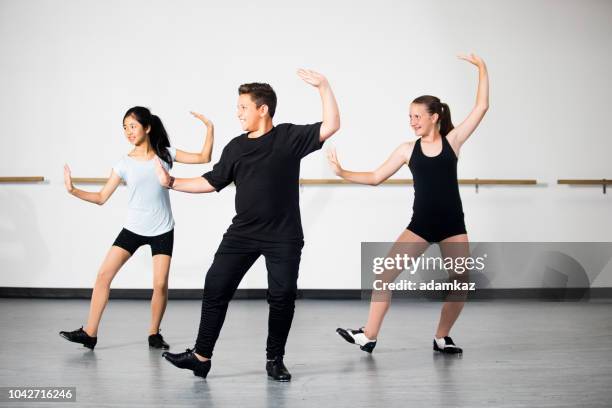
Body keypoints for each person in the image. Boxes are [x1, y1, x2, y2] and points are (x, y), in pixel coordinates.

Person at [156, 70, 340, 381]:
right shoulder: (236, 147)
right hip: (243, 233)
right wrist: (171, 182)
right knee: (216, 285)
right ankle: (201, 357)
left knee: (282, 297)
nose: (238, 113)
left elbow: (331, 125)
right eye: (238, 107)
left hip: (283, 236)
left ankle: (274, 359)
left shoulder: (288, 137)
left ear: (262, 109)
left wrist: (324, 86)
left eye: (243, 107)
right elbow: (212, 181)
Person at [331, 54, 489, 355]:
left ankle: (442, 337)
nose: (412, 121)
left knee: (461, 282)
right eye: (410, 116)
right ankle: (369, 335)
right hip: (421, 225)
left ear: (434, 117)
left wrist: (482, 68)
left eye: (417, 116)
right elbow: (376, 176)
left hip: (453, 225)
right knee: (384, 276)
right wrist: (342, 172)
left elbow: (481, 107)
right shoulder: (407, 150)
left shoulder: (452, 141)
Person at [59, 106, 214, 350]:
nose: (128, 132)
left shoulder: (165, 154)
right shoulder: (123, 164)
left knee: (160, 284)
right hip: (132, 229)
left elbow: (204, 158)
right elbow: (101, 197)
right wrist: (73, 190)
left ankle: (154, 334)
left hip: (162, 229)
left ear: (147, 127)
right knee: (103, 276)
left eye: (133, 126)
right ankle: (90, 333)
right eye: (124, 128)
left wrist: (209, 128)